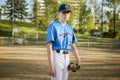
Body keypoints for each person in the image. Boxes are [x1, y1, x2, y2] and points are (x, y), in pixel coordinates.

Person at [46, 3, 81, 80]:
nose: (66, 14)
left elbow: (73, 45)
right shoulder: (53, 26)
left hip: (67, 57)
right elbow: (49, 46)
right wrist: (51, 66)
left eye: (68, 12)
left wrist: (78, 60)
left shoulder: (70, 28)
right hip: (57, 56)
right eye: (63, 12)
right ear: (59, 13)